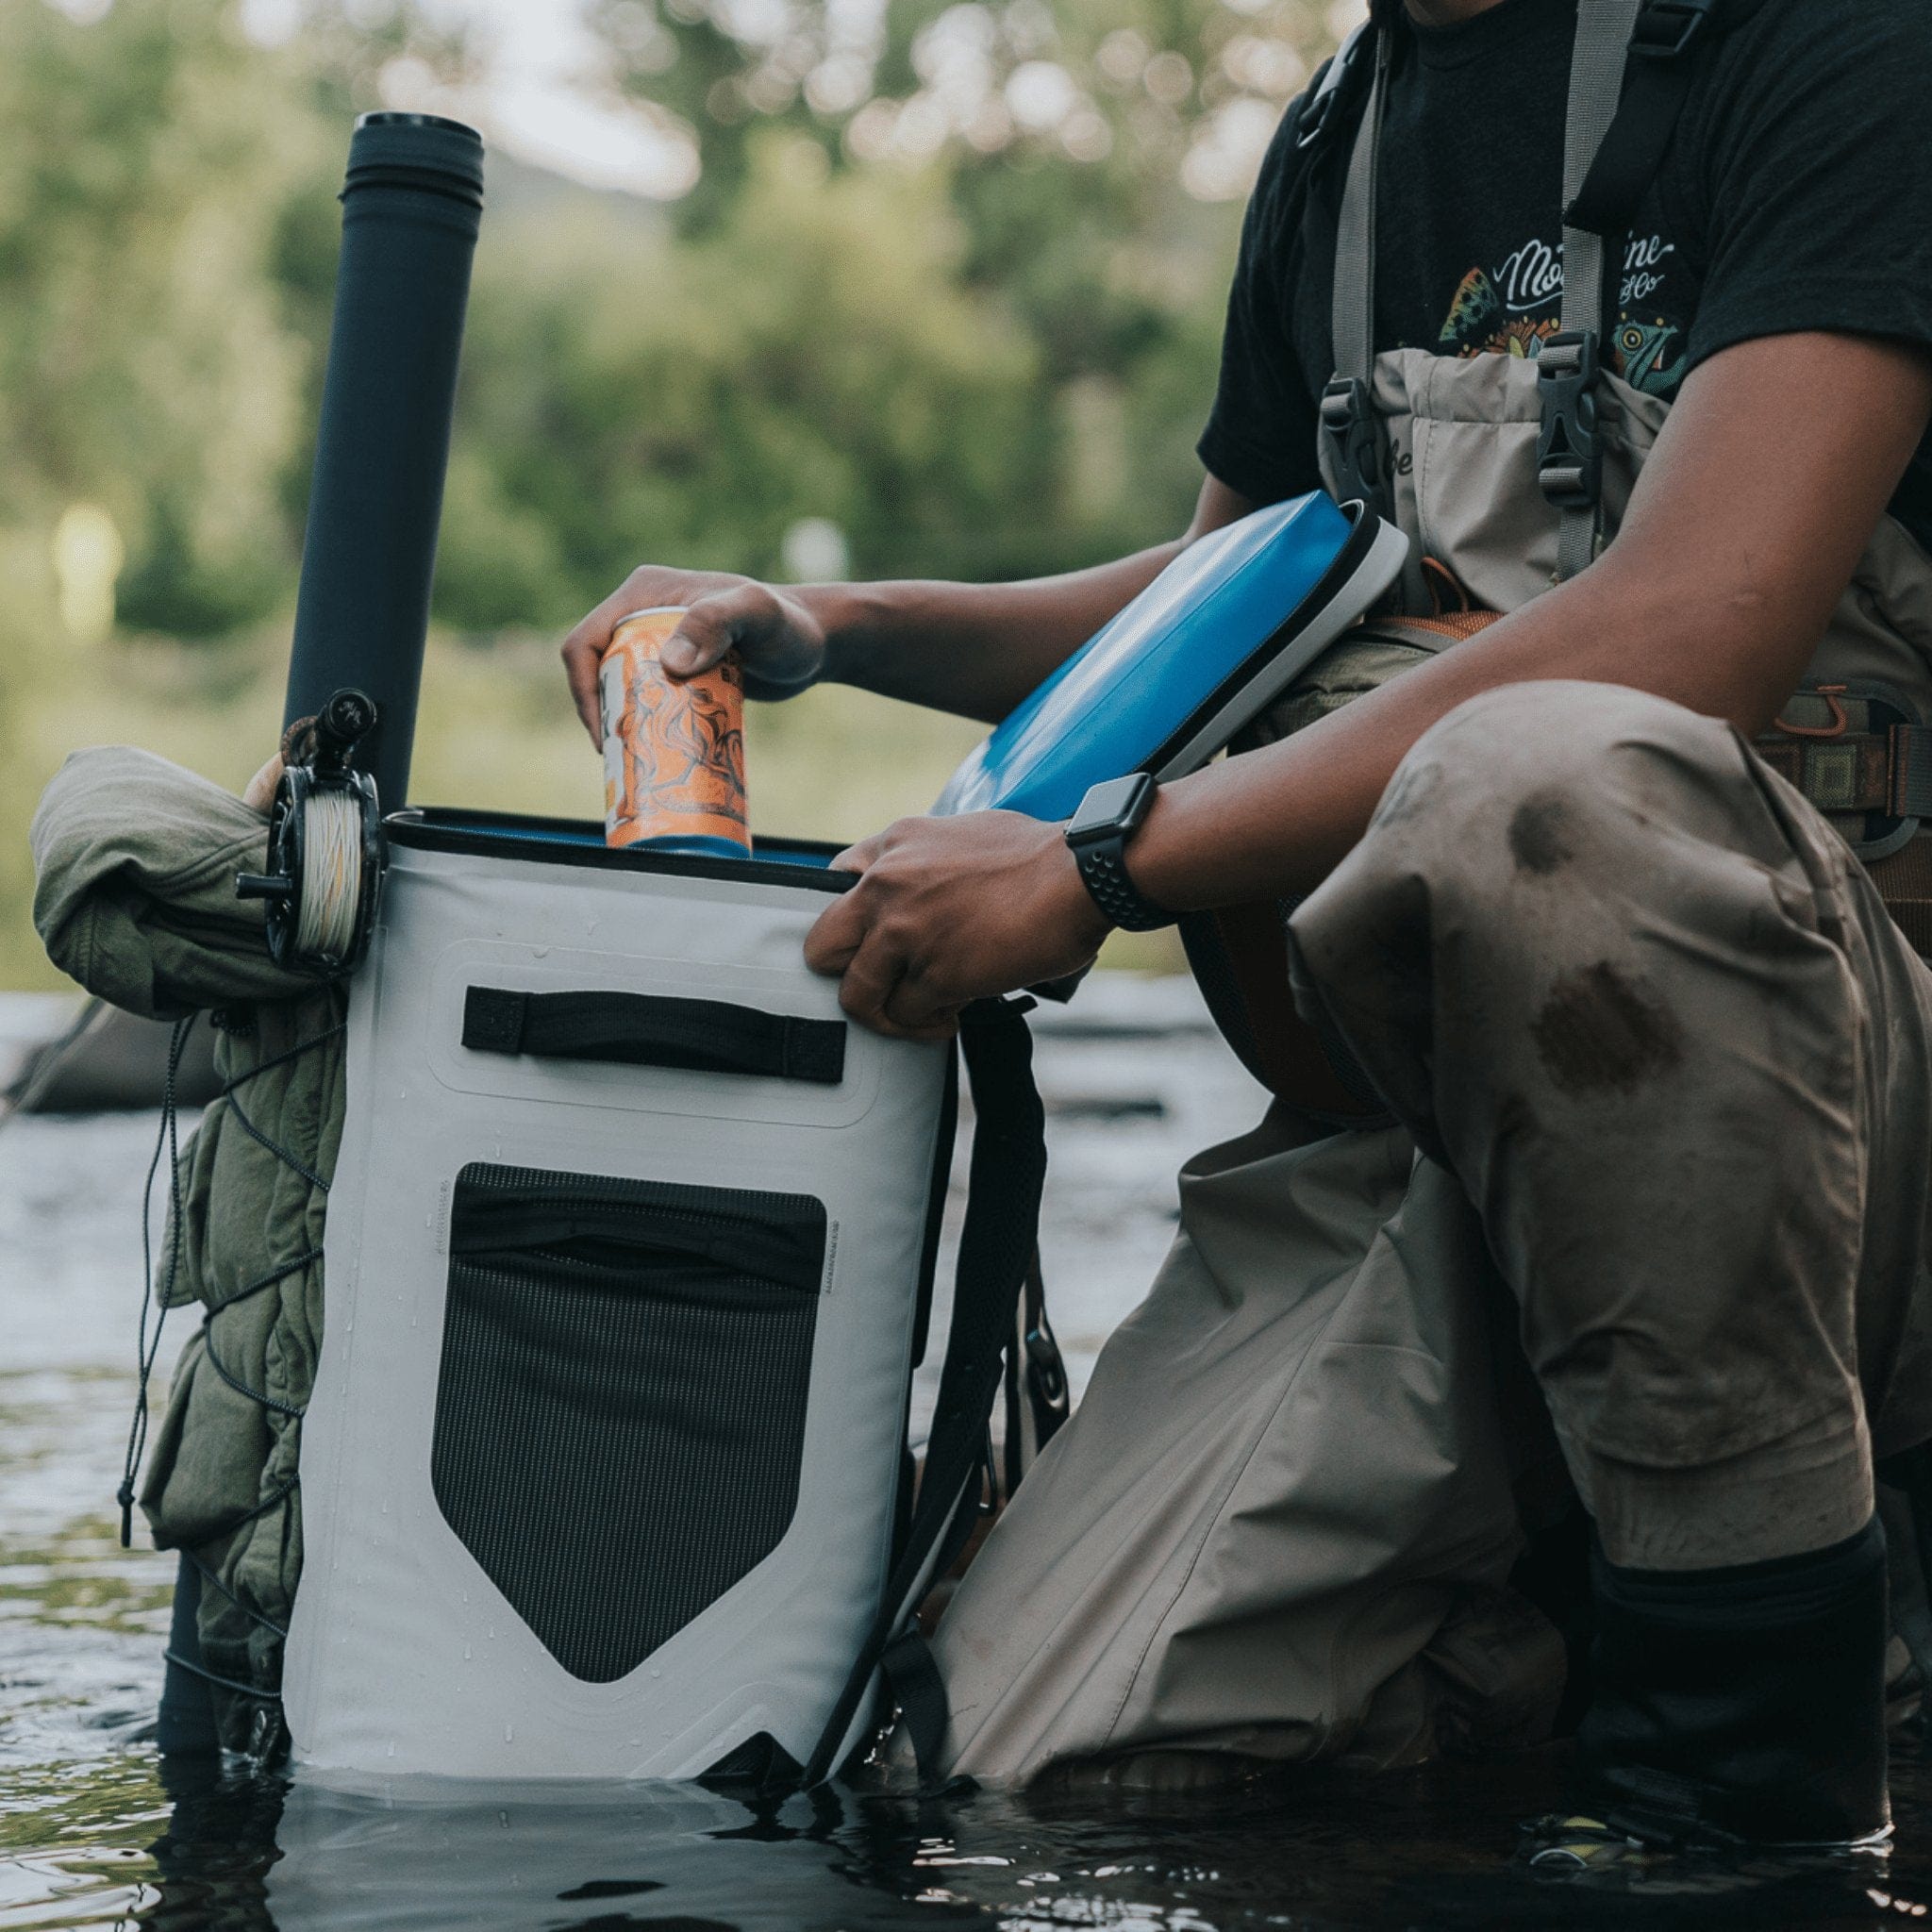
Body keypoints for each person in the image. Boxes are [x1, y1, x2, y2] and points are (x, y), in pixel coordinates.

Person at [559, 0, 1932, 1869]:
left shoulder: (1830, 44)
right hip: (1445, 1148)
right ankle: (1541, 1628)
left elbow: (1699, 622)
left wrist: (1104, 865)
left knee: (1544, 788)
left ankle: (1749, 1813)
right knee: (1008, 1765)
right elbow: (1217, 615)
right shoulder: (1333, 144)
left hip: (1860, 1113)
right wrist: (832, 620)